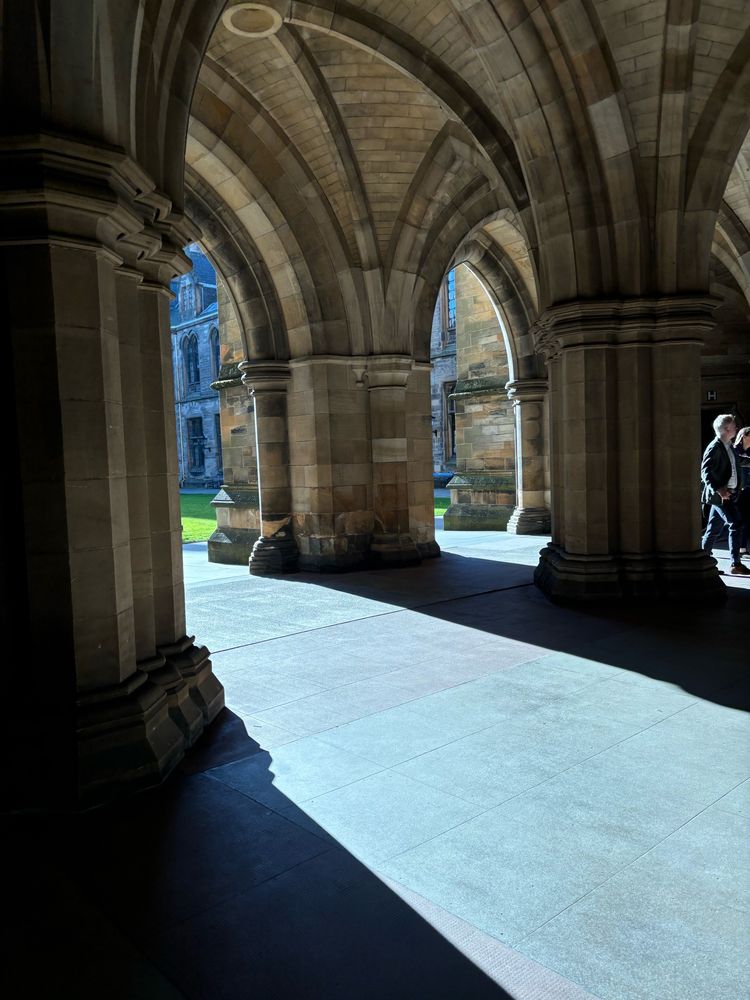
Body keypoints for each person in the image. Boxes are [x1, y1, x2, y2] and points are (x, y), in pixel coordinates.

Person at [700, 414, 749, 575]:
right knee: (736, 524)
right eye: (734, 425)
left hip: (730, 494)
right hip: (721, 496)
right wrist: (719, 489)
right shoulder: (714, 447)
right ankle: (735, 564)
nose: (736, 427)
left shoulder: (728, 445)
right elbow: (705, 472)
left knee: (713, 529)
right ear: (727, 429)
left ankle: (702, 561)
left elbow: (736, 464)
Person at [734, 425, 750, 556]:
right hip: (738, 490)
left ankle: (743, 548)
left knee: (747, 519)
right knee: (737, 520)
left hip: (748, 489)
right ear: (744, 436)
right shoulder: (735, 450)